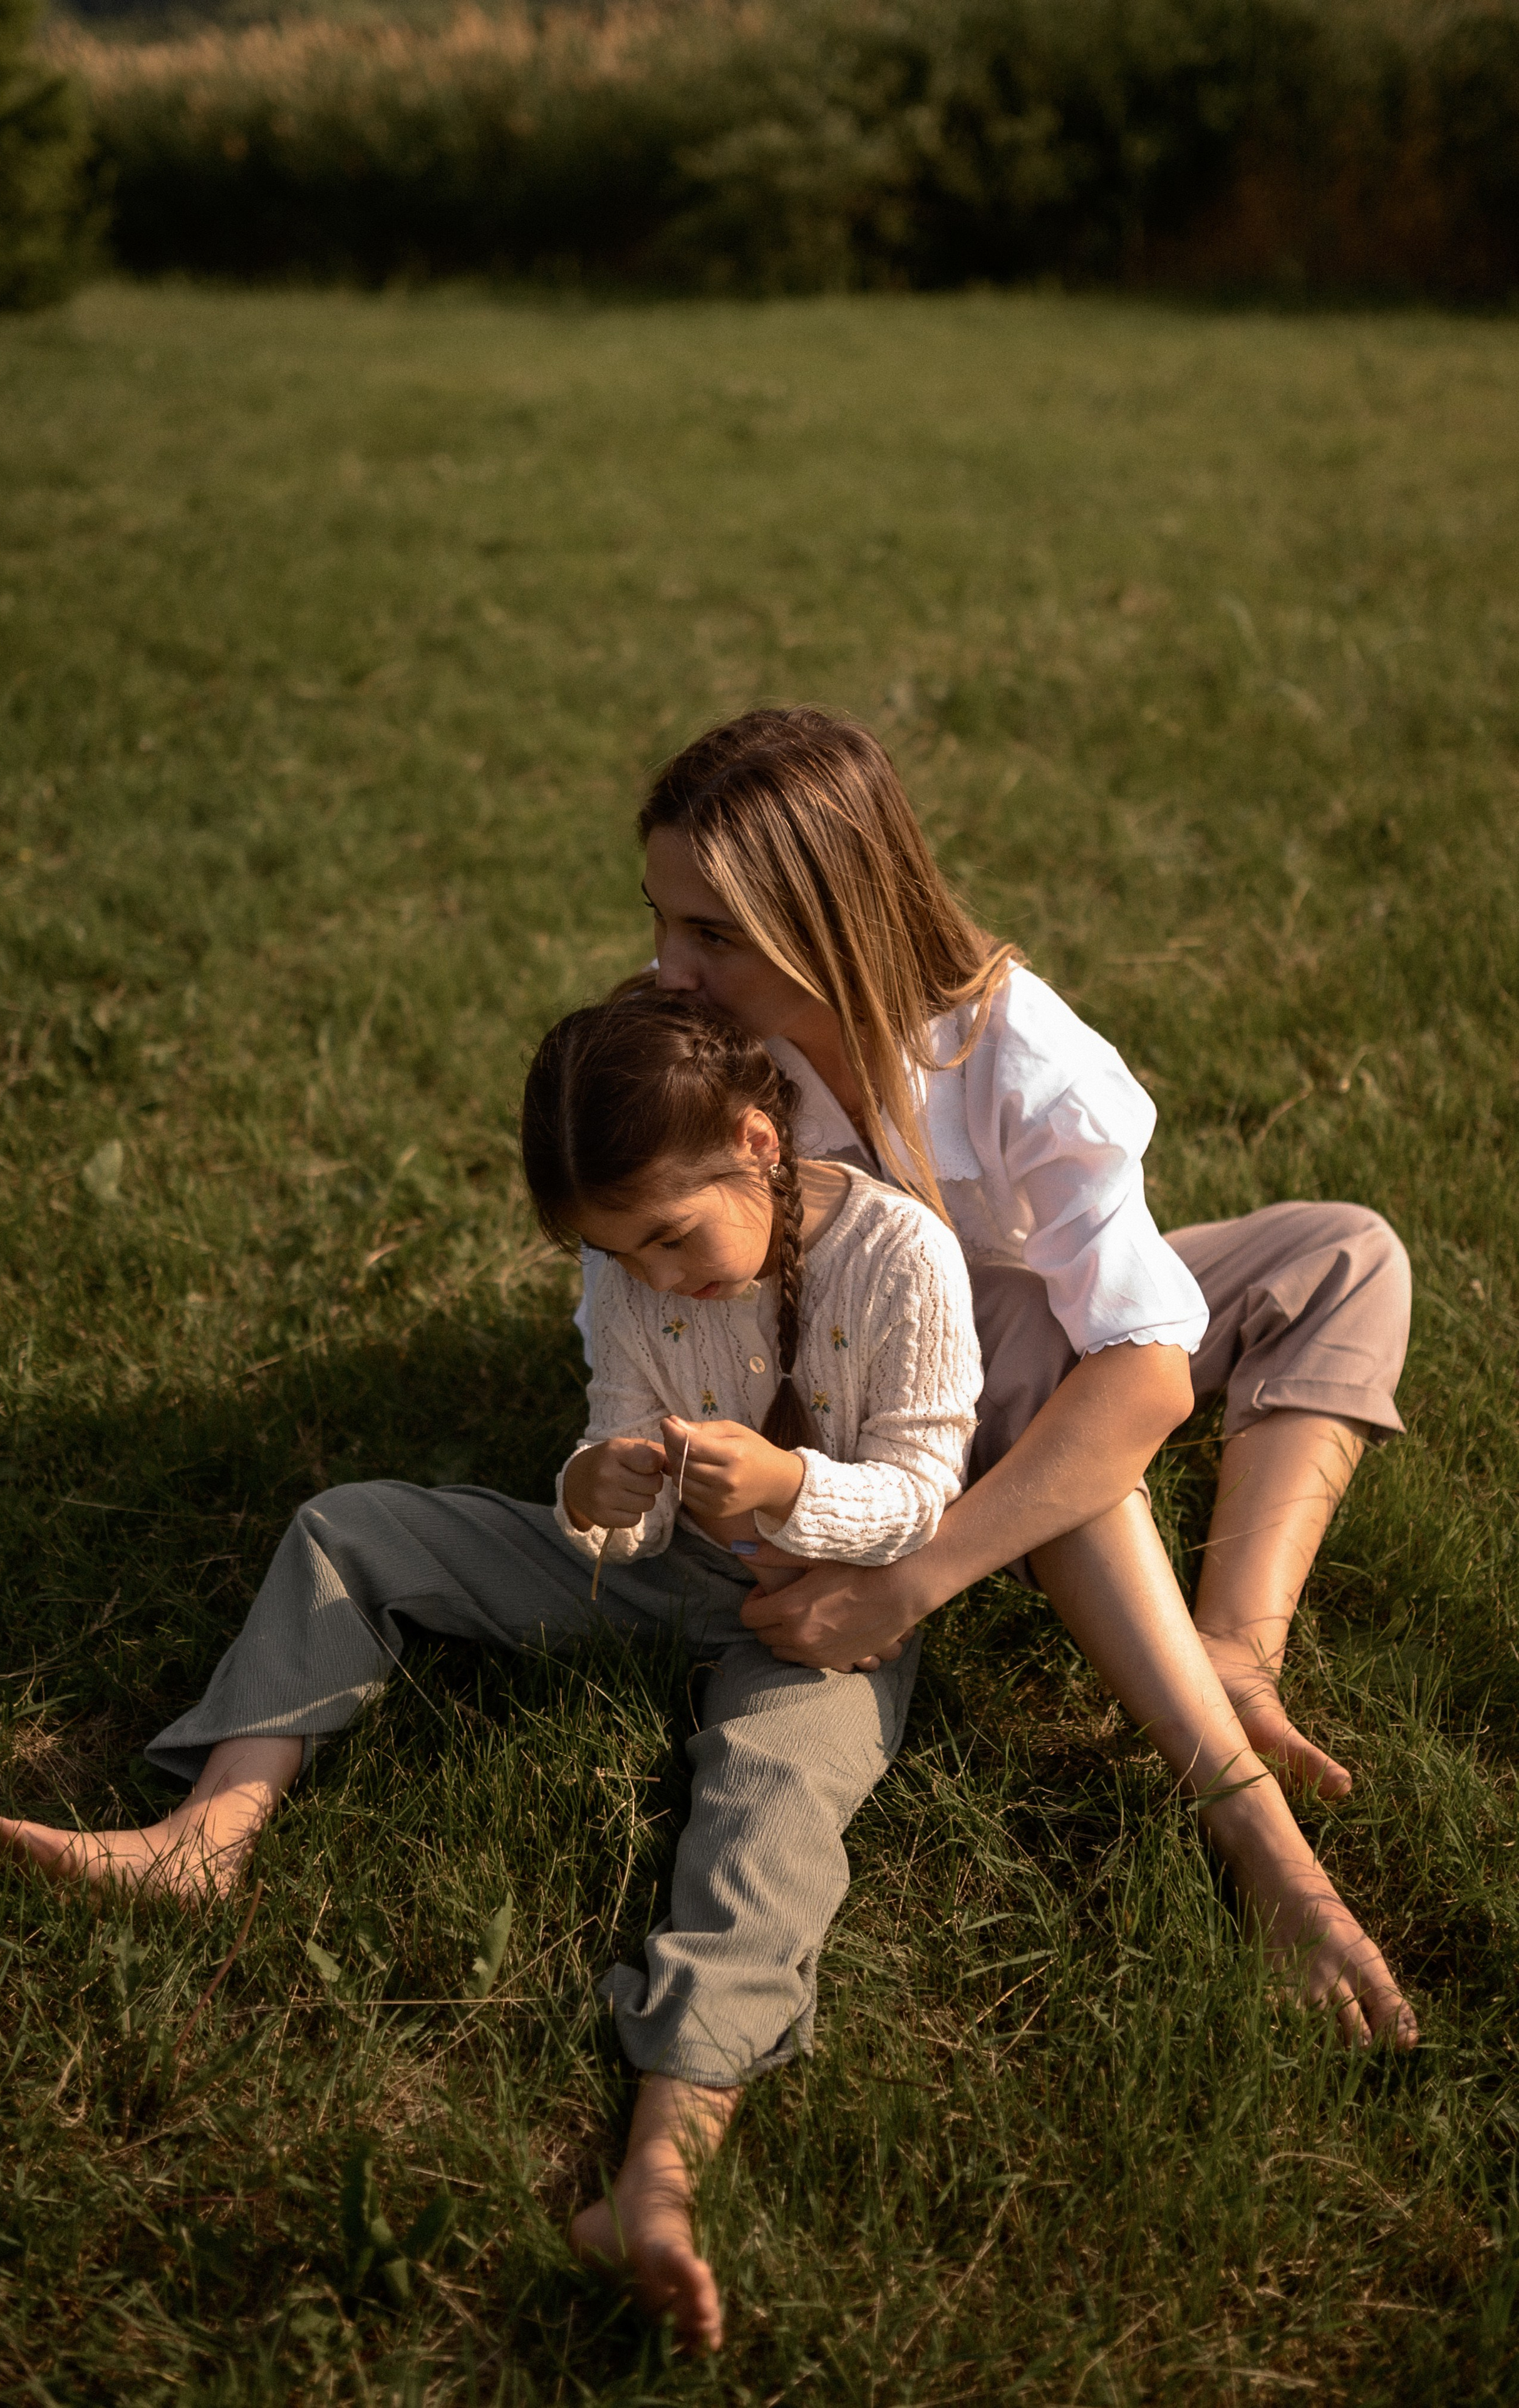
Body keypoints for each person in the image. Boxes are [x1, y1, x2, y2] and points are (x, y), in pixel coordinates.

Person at [0, 983, 987, 2354]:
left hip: (829, 1605)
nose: (649, 1272)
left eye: (667, 1236)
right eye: (612, 1251)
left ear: (758, 1143)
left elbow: (929, 1493)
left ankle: (661, 2166)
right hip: (662, 1571)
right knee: (351, 1526)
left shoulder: (903, 1254)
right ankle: (211, 1827)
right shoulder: (630, 1273)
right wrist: (599, 1486)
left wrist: (791, 1486)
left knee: (765, 1808)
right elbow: (612, 1453)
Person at [603, 703, 1416, 2050]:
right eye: (660, 919)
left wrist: (911, 1584)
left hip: (1025, 1350)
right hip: (882, 1399)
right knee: (1055, 1365)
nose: (664, 965)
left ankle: (1233, 1646)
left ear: (827, 919)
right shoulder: (717, 1063)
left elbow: (1150, 1365)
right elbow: (679, 1285)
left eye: (708, 933)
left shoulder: (1013, 1051)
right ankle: (1253, 1829)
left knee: (1341, 1253)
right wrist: (860, 1536)